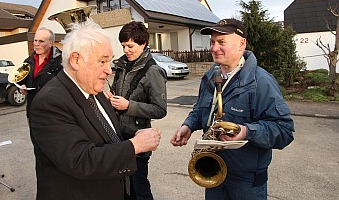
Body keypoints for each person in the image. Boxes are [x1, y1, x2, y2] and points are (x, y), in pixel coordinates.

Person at [29, 19, 162, 200]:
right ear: (76, 60)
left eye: (109, 61)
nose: (109, 70)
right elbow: (81, 160)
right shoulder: (49, 102)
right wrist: (135, 145)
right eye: (102, 61)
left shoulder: (92, 89)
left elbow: (106, 132)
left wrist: (136, 132)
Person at [170, 18, 294, 200]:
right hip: (213, 170)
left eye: (221, 42)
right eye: (212, 42)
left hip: (246, 181)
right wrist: (188, 125)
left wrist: (246, 131)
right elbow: (201, 108)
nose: (213, 48)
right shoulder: (211, 75)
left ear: (241, 44)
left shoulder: (261, 82)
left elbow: (284, 131)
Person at [105, 21, 167, 200]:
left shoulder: (154, 71)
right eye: (123, 46)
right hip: (118, 137)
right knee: (123, 189)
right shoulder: (122, 65)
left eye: (130, 46)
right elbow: (119, 94)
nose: (126, 50)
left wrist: (128, 106)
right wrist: (112, 98)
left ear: (143, 44)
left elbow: (160, 110)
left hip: (138, 138)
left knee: (139, 189)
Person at [19, 27, 63, 119]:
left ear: (51, 43)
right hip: (33, 112)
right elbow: (20, 80)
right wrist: (21, 87)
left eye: (41, 41)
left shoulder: (61, 61)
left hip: (53, 114)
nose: (37, 44)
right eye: (35, 40)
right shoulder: (28, 61)